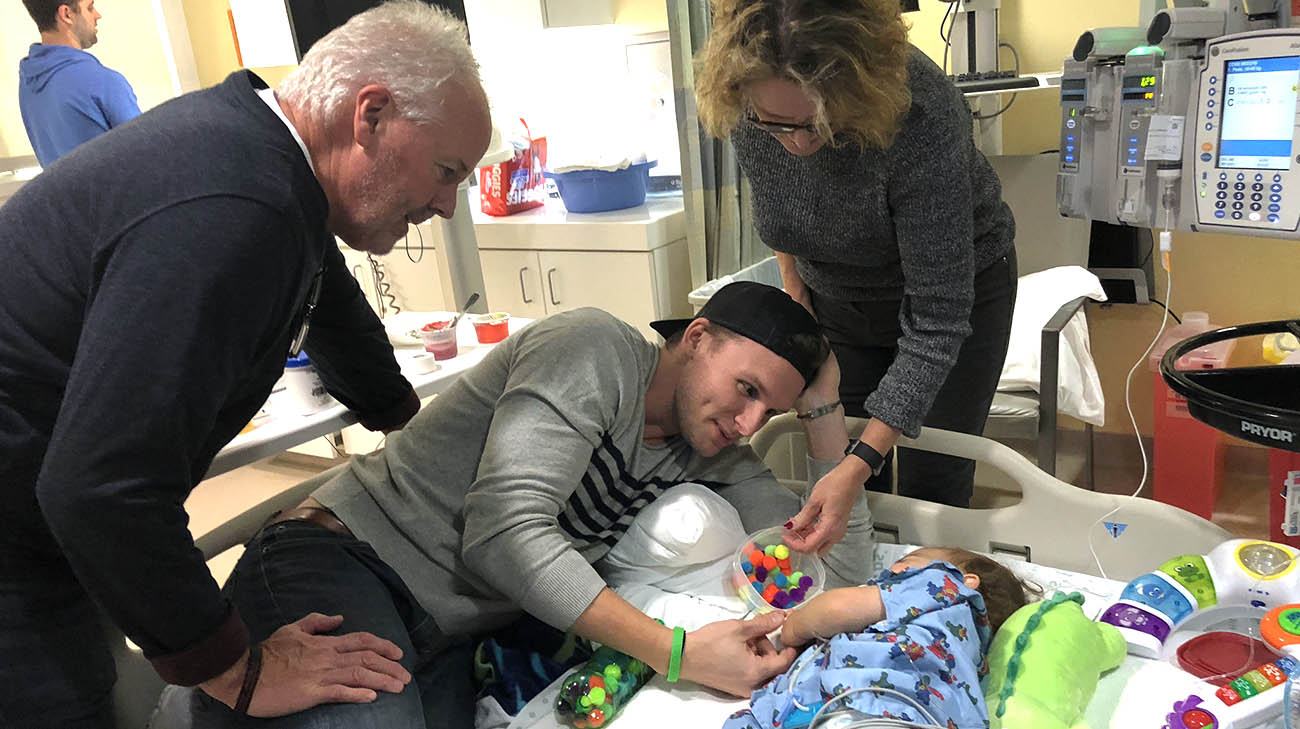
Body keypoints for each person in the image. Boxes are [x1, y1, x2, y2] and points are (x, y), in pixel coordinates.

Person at [0, 2, 492, 727]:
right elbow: (99, 486)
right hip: (19, 519)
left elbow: (335, 311)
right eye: (446, 171)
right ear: (372, 116)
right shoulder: (235, 205)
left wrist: (410, 431)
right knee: (65, 701)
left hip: (44, 497)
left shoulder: (268, 161)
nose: (446, 205)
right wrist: (237, 665)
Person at [188, 281, 876, 728]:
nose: (751, 421)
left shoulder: (715, 450)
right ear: (695, 338)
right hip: (345, 556)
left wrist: (825, 416)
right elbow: (503, 534)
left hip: (446, 634)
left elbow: (838, 572)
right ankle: (202, 695)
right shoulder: (593, 351)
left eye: (773, 407)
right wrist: (677, 653)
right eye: (747, 388)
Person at [694, 0, 1018, 510]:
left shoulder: (919, 110)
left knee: (929, 482)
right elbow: (785, 213)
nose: (799, 145)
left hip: (955, 298)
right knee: (837, 468)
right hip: (837, 299)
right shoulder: (749, 104)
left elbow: (938, 319)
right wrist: (801, 309)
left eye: (822, 125)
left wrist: (862, 459)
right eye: (779, 125)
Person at [723, 547, 1037, 729]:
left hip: (882, 709)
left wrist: (795, 626)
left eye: (908, 562)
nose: (890, 571)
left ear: (966, 579)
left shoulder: (942, 586)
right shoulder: (972, 662)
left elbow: (834, 608)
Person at [19, 0, 141, 167]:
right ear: (67, 14)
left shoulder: (28, 83)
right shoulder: (103, 82)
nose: (98, 15)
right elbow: (148, 161)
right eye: (90, 8)